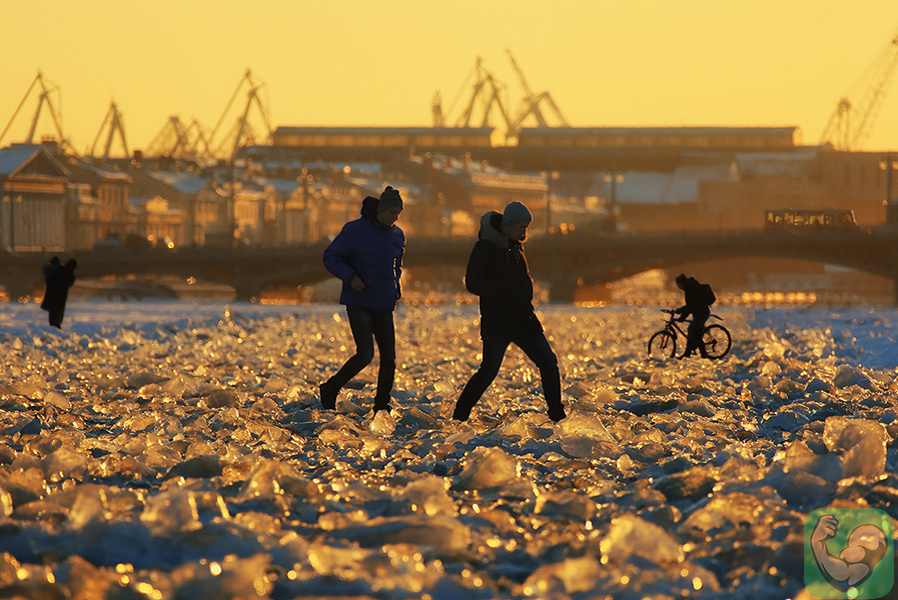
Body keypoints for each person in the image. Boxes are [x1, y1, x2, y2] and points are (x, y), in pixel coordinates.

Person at [452, 201, 566, 423]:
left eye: (526, 228)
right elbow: (473, 283)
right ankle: (460, 415)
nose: (524, 232)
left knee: (549, 363)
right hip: (498, 320)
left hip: (524, 318)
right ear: (508, 224)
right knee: (488, 371)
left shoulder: (515, 245)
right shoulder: (485, 247)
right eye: (521, 227)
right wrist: (503, 289)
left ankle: (557, 414)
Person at [319, 186, 406, 414]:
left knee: (389, 358)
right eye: (392, 212)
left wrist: (395, 288)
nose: (395, 218)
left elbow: (396, 266)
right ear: (381, 210)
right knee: (365, 354)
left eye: (398, 213)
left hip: (384, 302)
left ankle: (381, 405)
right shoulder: (355, 230)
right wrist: (351, 277)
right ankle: (331, 388)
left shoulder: (397, 235)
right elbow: (331, 256)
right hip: (359, 300)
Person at [674, 272, 715, 359]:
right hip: (699, 313)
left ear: (682, 284)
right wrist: (680, 311)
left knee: (691, 329)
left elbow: (691, 306)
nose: (679, 287)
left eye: (679, 285)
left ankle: (687, 354)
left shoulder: (691, 289)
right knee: (697, 335)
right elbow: (690, 306)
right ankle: (704, 355)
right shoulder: (689, 288)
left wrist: (682, 316)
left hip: (702, 313)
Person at [40, 256, 77, 329]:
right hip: (61, 297)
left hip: (52, 295)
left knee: (53, 313)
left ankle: (54, 327)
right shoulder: (68, 273)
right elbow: (69, 283)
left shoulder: (58, 270)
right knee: (58, 312)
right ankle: (56, 327)